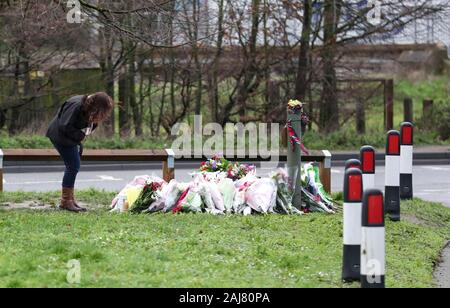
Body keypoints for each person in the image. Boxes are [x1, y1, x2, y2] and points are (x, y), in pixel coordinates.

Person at [46, 93, 114, 213]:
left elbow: (91, 124)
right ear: (97, 106)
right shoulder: (76, 105)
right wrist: (81, 136)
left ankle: (70, 199)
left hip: (70, 137)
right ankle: (66, 201)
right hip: (60, 135)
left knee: (73, 166)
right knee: (73, 166)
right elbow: (65, 126)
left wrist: (84, 134)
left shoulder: (89, 108)